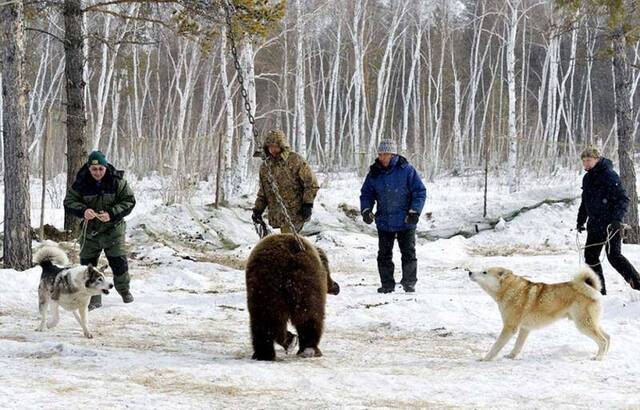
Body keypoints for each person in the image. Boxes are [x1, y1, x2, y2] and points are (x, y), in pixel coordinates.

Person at [64, 150, 137, 310]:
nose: (97, 172)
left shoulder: (117, 181)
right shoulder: (81, 182)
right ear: (89, 168)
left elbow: (129, 201)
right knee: (88, 266)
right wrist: (83, 210)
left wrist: (112, 214)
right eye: (94, 169)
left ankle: (124, 291)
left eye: (101, 169)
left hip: (114, 230)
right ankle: (94, 298)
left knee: (119, 264)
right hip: (90, 231)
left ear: (105, 167)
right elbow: (69, 202)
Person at [360, 139, 426, 293]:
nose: (382, 157)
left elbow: (419, 192)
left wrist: (414, 211)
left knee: (408, 252)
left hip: (406, 221)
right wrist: (366, 210)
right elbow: (367, 194)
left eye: (385, 154)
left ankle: (409, 283)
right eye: (380, 154)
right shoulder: (374, 172)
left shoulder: (407, 170)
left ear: (393, 154)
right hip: (384, 221)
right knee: (384, 255)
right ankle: (387, 284)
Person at [577, 145, 640, 295]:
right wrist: (580, 220)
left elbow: (623, 199)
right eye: (584, 161)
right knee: (590, 256)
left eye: (589, 160)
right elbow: (585, 202)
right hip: (594, 225)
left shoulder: (609, 175)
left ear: (597, 159)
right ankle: (598, 291)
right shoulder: (587, 178)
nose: (586, 163)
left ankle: (637, 284)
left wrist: (617, 220)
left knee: (614, 257)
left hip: (611, 225)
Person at [252, 129, 319, 234]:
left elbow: (311, 183)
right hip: (277, 214)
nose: (273, 149)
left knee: (288, 242)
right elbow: (263, 192)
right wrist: (258, 210)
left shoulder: (295, 160)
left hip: (295, 212)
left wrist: (307, 204)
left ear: (282, 146)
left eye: (276, 146)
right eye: (270, 147)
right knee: (288, 243)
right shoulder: (265, 166)